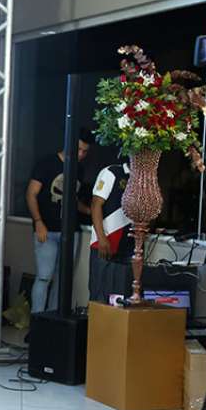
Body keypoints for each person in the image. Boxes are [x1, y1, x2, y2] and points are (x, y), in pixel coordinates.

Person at [25, 131, 92, 313]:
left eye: (85, 151)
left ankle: (54, 318)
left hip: (71, 231)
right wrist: (38, 222)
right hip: (47, 230)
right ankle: (38, 319)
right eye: (78, 149)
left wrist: (90, 211)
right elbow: (31, 194)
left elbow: (73, 200)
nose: (81, 154)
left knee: (63, 279)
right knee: (44, 276)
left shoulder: (79, 169)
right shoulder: (47, 163)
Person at [89, 161, 134, 303]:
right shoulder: (112, 172)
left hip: (128, 245)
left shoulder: (142, 180)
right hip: (105, 242)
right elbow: (95, 204)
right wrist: (101, 238)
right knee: (99, 293)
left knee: (122, 297)